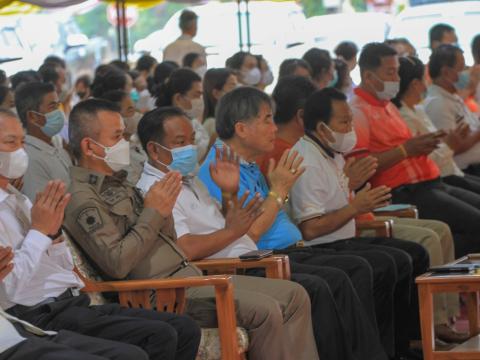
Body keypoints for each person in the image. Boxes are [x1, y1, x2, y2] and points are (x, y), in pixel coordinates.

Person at [62, 98, 319, 360]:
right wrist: (154, 212)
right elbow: (117, 263)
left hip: (188, 276)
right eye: (117, 136)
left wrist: (163, 211)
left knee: (296, 295)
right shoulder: (83, 199)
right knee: (265, 310)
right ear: (89, 146)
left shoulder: (120, 183)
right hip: (161, 293)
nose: (126, 143)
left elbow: (168, 240)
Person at [135, 106, 388, 360]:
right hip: (220, 270)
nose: (190, 148)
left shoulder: (189, 178)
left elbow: (227, 225)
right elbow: (186, 247)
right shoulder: (155, 190)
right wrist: (243, 223)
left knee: (322, 282)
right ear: (154, 150)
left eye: (191, 140)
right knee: (318, 285)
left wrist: (229, 193)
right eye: (180, 143)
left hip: (247, 258)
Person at [197, 86, 427, 359]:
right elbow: (249, 236)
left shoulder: (244, 163)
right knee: (342, 275)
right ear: (242, 129)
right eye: (267, 119)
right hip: (263, 261)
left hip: (290, 250)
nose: (275, 128)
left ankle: (390, 351)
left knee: (378, 263)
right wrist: (279, 190)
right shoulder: (219, 169)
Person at [0, 109, 201, 360]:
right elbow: (9, 289)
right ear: (89, 145)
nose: (21, 151)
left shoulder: (19, 200)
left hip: (70, 300)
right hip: (37, 312)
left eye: (22, 141)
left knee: (184, 329)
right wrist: (41, 232)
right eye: (11, 142)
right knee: (148, 343)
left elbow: (62, 266)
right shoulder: (82, 195)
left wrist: (51, 236)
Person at [350, 42, 480, 258]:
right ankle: (448, 275)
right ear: (368, 76)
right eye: (390, 72)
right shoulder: (357, 112)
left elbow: (408, 146)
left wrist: (425, 144)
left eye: (397, 72)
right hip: (403, 191)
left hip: (432, 181)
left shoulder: (388, 105)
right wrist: (405, 150)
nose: (396, 79)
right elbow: (362, 167)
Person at [394, 55, 480, 195]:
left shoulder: (418, 110)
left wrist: (450, 142)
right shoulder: (432, 105)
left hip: (450, 172)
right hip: (439, 178)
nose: (426, 84)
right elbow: (431, 157)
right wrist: (451, 144)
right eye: (462, 68)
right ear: (415, 84)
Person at [423, 44, 480, 175]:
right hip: (467, 170)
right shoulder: (437, 104)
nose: (467, 72)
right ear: (446, 72)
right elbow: (451, 147)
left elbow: (471, 127)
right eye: (462, 68)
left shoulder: (453, 96)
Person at [14, 82, 72, 202]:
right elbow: (43, 208)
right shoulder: (29, 159)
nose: (59, 112)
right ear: (32, 117)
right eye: (52, 107)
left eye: (58, 105)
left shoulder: (59, 149)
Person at [155, 68, 210, 161]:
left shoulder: (192, 120)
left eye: (201, 95)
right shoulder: (164, 126)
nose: (200, 100)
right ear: (178, 98)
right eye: (197, 95)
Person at [100, 90, 146, 184]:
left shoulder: (135, 142)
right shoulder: (112, 152)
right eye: (130, 110)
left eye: (135, 109)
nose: (137, 114)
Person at [202, 68, 238, 141]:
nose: (238, 91)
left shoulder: (230, 121)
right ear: (217, 93)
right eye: (232, 86)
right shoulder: (212, 124)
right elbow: (216, 152)